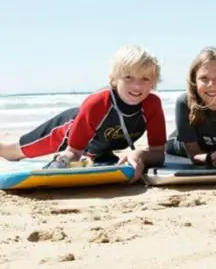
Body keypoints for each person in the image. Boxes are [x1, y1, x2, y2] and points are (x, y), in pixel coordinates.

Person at [0, 45, 166, 181]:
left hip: (101, 147)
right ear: (115, 79)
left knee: (105, 159)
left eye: (145, 78)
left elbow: (158, 153)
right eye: (128, 77)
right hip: (67, 131)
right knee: (12, 151)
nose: (137, 86)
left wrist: (138, 155)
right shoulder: (98, 103)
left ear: (154, 82)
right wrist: (63, 161)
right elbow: (74, 152)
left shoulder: (152, 104)